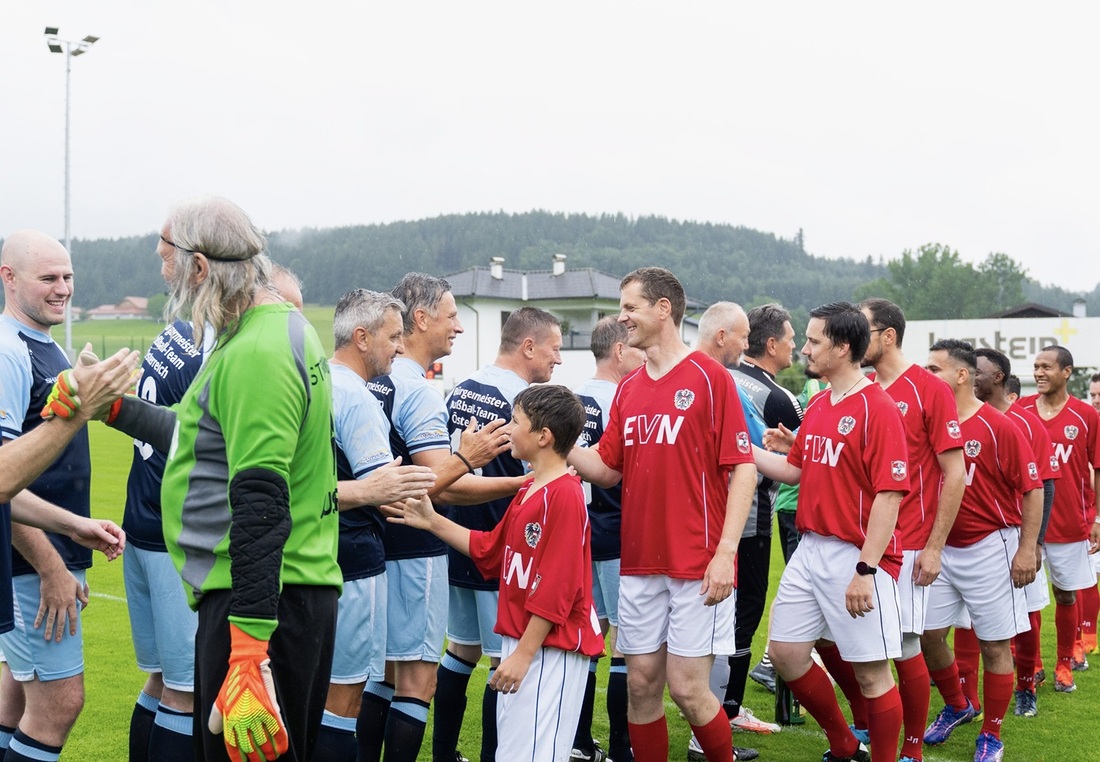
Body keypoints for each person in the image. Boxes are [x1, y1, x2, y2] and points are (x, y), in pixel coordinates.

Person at [106, 196, 342, 761]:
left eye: (167, 263)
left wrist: (247, 655)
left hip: (263, 606)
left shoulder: (258, 351)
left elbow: (262, 503)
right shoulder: (257, 330)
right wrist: (109, 408)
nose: (164, 278)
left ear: (201, 267)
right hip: (268, 598)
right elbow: (198, 435)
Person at [568, 267, 757, 762]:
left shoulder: (710, 377)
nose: (622, 317)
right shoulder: (629, 388)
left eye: (630, 307)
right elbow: (608, 469)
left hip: (697, 562)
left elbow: (743, 470)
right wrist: (557, 442)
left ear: (663, 308)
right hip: (638, 564)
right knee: (641, 688)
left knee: (689, 691)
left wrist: (725, 554)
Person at [386, 384, 605, 762]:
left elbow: (558, 588)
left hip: (549, 648)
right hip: (524, 639)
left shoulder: (565, 496)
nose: (507, 430)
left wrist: (522, 654)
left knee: (535, 756)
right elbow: (490, 550)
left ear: (543, 436)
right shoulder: (529, 489)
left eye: (515, 421)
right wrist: (432, 520)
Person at [366, 273, 521, 762]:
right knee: (416, 677)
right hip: (415, 550)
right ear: (421, 318)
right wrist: (516, 480)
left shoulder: (371, 379)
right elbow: (438, 484)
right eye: (452, 315)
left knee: (381, 674)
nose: (458, 326)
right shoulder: (417, 389)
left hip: (373, 544)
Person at [0, 230, 137, 762]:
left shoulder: (44, 343)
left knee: (15, 700)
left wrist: (74, 526)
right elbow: (4, 477)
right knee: (60, 705)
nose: (63, 289)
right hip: (32, 564)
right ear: (9, 278)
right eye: (49, 278)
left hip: (47, 549)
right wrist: (51, 563)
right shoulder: (10, 352)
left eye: (68, 277)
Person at [752, 301, 908, 762]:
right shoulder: (819, 402)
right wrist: (739, 451)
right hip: (810, 548)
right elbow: (795, 471)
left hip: (856, 554)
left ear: (842, 347)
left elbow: (889, 495)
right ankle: (844, 744)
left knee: (873, 675)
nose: (804, 347)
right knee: (785, 653)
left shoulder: (877, 407)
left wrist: (866, 569)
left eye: (814, 340)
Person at [815, 298, 964, 762]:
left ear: (888, 336)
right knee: (828, 640)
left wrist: (935, 546)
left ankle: (912, 749)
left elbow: (955, 473)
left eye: (865, 327)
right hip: (853, 543)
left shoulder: (929, 389)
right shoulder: (856, 390)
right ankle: (865, 722)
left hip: (909, 542)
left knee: (904, 644)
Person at [435, 307, 564, 762]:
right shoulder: (525, 407)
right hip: (500, 549)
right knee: (501, 661)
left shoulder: (462, 388)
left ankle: (445, 753)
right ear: (528, 346)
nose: (560, 360)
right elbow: (538, 477)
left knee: (460, 651)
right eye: (555, 347)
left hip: (454, 541)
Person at [919, 339, 1041, 762]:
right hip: (937, 546)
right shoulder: (926, 421)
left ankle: (992, 733)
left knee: (994, 646)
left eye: (934, 368)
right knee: (925, 635)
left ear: (961, 375)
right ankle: (957, 704)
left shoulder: (999, 425)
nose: (925, 374)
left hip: (990, 545)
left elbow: (1032, 488)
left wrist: (1027, 548)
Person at [569, 317, 646, 762]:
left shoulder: (570, 398)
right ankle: (622, 745)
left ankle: (580, 742)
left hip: (580, 536)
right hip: (619, 535)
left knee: (588, 639)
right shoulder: (626, 400)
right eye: (635, 349)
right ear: (619, 352)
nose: (642, 357)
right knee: (625, 645)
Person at [724, 303, 803, 737]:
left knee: (713, 607)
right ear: (771, 344)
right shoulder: (779, 397)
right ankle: (730, 706)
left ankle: (704, 698)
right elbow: (811, 457)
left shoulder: (720, 376)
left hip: (709, 511)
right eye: (791, 338)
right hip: (751, 513)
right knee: (747, 606)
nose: (796, 346)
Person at [692, 301, 765, 761]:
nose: (747, 344)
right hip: (718, 535)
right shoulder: (721, 382)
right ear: (722, 336)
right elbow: (751, 459)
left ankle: (711, 730)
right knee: (722, 640)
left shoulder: (704, 378)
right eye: (742, 336)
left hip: (700, 537)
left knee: (645, 670)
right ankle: (711, 734)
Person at [970, 347, 1059, 718]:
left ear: (997, 378)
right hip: (970, 542)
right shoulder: (960, 419)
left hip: (1014, 537)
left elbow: (1046, 485)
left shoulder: (1025, 423)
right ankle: (964, 698)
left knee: (1027, 609)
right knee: (967, 621)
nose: (970, 375)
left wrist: (1035, 543)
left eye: (978, 370)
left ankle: (1026, 686)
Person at [1019, 345, 1100, 693]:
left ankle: (1064, 663)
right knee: (1029, 598)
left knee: (1066, 595)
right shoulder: (1020, 411)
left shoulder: (1086, 415)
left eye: (1047, 367)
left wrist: (1098, 517)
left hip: (1070, 524)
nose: (1039, 373)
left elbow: (1098, 467)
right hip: (1029, 525)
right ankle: (1033, 663)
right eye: (1036, 366)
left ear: (1067, 372)